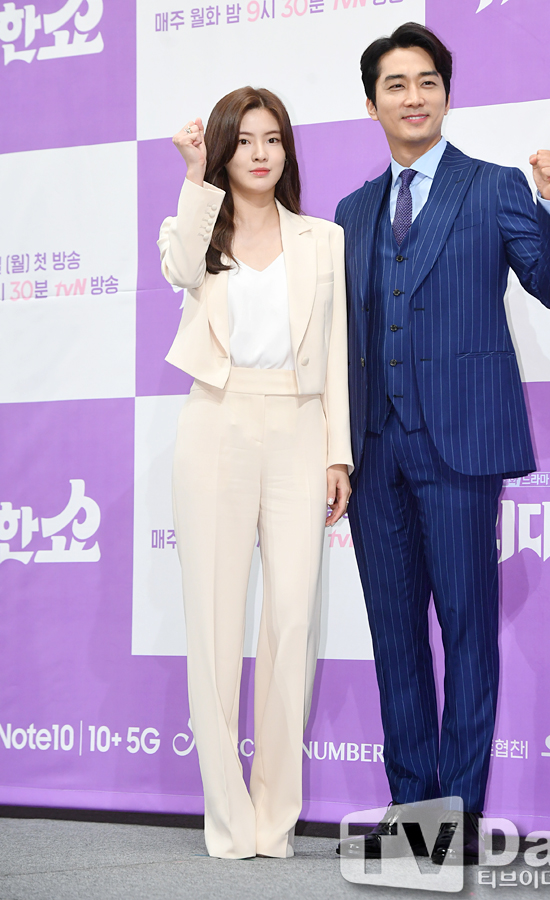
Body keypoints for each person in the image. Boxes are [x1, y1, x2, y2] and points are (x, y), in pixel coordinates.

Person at [335, 23, 550, 863]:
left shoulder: (495, 186)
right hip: (375, 452)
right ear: (371, 104)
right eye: (396, 85)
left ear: (446, 92)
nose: (414, 97)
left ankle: (459, 819)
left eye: (428, 82)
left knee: (469, 633)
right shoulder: (351, 212)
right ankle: (414, 819)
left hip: (462, 446)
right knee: (396, 637)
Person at [158, 87, 352, 860]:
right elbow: (180, 268)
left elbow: (335, 350)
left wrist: (337, 453)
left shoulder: (323, 238)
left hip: (299, 425)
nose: (262, 153)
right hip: (217, 420)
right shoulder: (194, 227)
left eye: (273, 139)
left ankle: (274, 820)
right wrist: (194, 175)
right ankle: (230, 819)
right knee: (212, 621)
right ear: (225, 150)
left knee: (292, 620)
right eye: (245, 141)